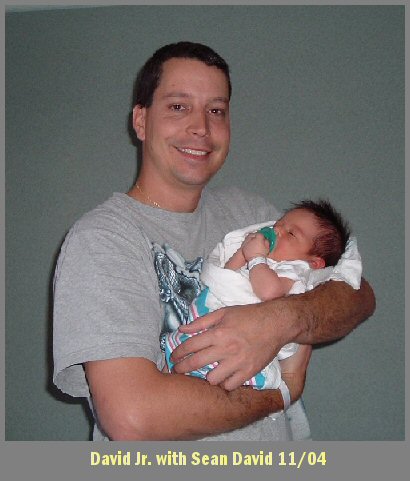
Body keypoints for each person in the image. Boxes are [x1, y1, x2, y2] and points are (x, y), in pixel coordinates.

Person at [53, 41, 375, 441]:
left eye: (216, 111)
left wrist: (279, 320)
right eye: (178, 106)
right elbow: (132, 418)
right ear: (141, 121)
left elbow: (358, 294)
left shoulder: (250, 213)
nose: (201, 128)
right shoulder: (103, 239)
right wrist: (282, 392)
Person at [163, 199, 361, 398]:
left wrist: (256, 258)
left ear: (314, 262)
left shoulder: (295, 270)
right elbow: (226, 276)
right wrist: (244, 252)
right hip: (211, 319)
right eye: (279, 224)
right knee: (173, 364)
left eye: (291, 234)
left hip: (235, 345)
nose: (277, 231)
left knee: (197, 377)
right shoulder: (262, 258)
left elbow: (270, 292)